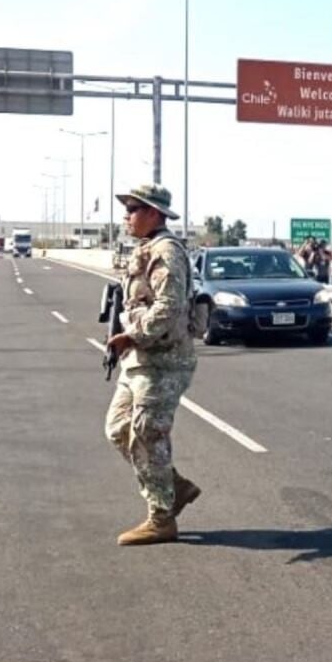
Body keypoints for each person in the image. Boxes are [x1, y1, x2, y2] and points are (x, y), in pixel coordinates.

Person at [104, 184, 200, 546]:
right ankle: (174, 487)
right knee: (117, 430)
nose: (126, 216)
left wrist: (133, 335)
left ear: (153, 214)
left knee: (147, 433)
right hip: (140, 359)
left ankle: (161, 517)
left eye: (132, 209)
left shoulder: (166, 251)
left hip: (163, 360)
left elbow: (168, 307)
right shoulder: (144, 249)